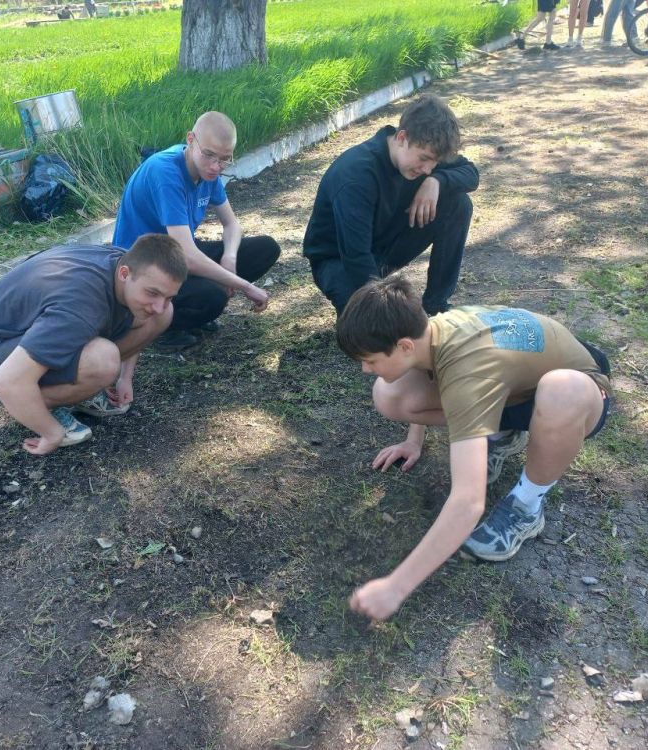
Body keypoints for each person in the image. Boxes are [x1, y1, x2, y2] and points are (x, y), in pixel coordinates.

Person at [336, 276, 612, 622]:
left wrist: (396, 587)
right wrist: (413, 439)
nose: (365, 369)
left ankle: (527, 504)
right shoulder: (430, 331)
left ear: (404, 345)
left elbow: (468, 502)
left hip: (581, 387)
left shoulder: (468, 371)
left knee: (561, 391)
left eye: (371, 360)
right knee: (389, 393)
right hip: (517, 385)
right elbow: (432, 371)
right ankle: (503, 433)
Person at [0, 235, 188, 456]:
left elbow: (151, 311)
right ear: (124, 274)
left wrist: (125, 378)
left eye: (168, 296)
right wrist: (51, 433)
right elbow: (8, 380)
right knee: (103, 360)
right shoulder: (80, 306)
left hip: (38, 324)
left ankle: (77, 388)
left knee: (162, 315)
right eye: (152, 293)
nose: (159, 305)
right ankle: (37, 406)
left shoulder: (125, 263)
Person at [113, 111, 281, 350]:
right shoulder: (165, 172)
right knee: (213, 297)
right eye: (209, 155)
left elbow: (232, 224)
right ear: (191, 140)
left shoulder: (208, 171)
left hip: (175, 252)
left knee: (265, 249)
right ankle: (158, 328)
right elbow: (188, 257)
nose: (215, 166)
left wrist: (229, 258)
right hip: (143, 264)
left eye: (225, 159)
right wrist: (245, 285)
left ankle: (192, 311)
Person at [303, 95, 478, 317]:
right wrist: (385, 306)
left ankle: (436, 306)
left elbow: (471, 173)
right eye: (424, 159)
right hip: (339, 260)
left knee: (458, 203)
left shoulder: (427, 152)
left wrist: (436, 181)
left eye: (434, 163)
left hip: (385, 246)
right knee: (375, 324)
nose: (427, 169)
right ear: (402, 137)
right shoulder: (357, 175)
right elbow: (356, 255)